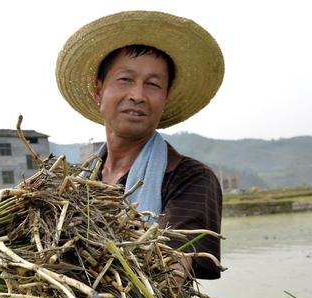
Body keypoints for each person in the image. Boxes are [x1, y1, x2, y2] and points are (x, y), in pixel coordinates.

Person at [56, 10, 224, 281]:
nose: (137, 95)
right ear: (98, 91)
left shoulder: (189, 178)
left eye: (153, 84)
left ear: (165, 98)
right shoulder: (75, 185)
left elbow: (170, 274)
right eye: (125, 80)